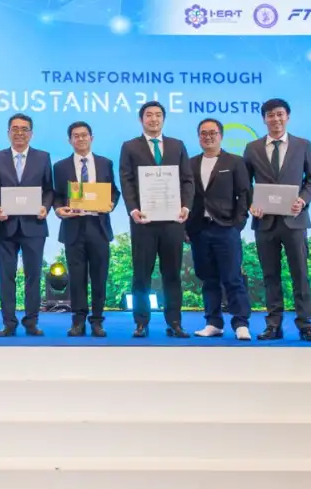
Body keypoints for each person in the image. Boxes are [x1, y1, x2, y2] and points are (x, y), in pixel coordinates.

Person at [244, 98, 311, 342]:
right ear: (264, 119)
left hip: (294, 220)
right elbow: (245, 184)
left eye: (279, 114)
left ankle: (305, 325)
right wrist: (251, 204)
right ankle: (273, 325)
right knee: (270, 275)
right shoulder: (252, 148)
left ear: (287, 117)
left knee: (300, 274)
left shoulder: (303, 145)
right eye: (270, 115)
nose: (275, 119)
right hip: (265, 222)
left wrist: (303, 200)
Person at [118, 101, 194, 339]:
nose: (154, 119)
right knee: (142, 274)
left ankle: (175, 322)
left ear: (164, 119)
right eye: (149, 115)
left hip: (173, 221)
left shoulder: (177, 145)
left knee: (172, 274)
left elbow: (187, 179)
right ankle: (141, 322)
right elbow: (126, 180)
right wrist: (133, 209)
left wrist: (185, 207)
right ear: (141, 120)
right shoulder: (130, 146)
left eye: (158, 115)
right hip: (143, 221)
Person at [186, 118, 253, 341]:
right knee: (208, 279)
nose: (208, 137)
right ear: (198, 137)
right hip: (199, 229)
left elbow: (244, 194)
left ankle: (241, 323)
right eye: (203, 133)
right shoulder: (190, 164)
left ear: (221, 136)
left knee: (233, 278)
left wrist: (238, 224)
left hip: (226, 228)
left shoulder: (235, 162)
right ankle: (213, 322)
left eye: (212, 133)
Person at [52, 121, 120, 338]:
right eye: (76, 136)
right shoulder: (60, 167)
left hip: (98, 227)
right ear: (69, 140)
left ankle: (97, 321)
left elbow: (114, 191)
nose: (80, 139)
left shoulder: (105, 163)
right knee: (76, 278)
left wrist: (110, 204)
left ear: (92, 138)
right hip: (73, 227)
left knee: (99, 277)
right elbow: (56, 196)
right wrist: (58, 209)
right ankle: (78, 321)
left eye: (84, 135)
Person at [0, 113, 54, 337]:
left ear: (31, 134)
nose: (19, 133)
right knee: (6, 277)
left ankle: (31, 321)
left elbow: (49, 189)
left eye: (24, 129)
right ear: (8, 133)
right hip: (5, 227)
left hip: (34, 226)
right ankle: (9, 322)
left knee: (33, 276)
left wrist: (45, 206)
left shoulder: (43, 157)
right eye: (15, 129)